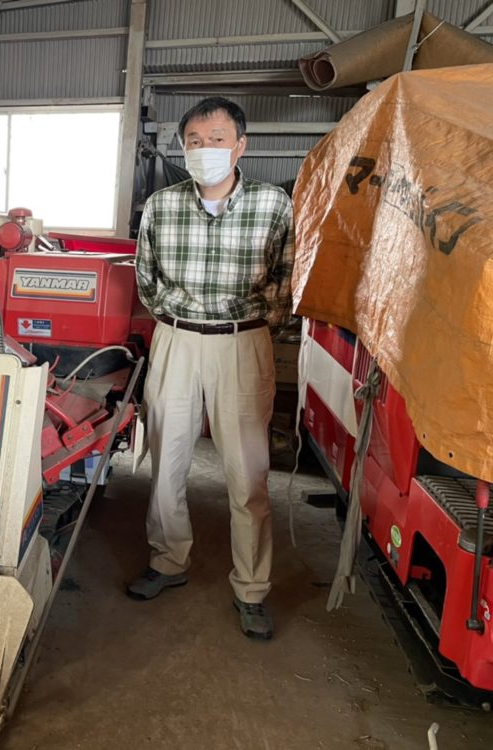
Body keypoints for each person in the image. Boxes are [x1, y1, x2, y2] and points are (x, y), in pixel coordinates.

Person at [129, 96, 294, 640]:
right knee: (166, 462)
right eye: (195, 142)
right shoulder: (162, 206)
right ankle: (168, 560)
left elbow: (286, 279)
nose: (205, 150)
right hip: (176, 340)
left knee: (247, 473)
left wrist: (252, 323)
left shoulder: (272, 205)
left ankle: (251, 588)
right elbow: (146, 279)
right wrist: (181, 318)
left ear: (240, 146)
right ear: (183, 148)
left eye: (217, 140)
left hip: (243, 343)